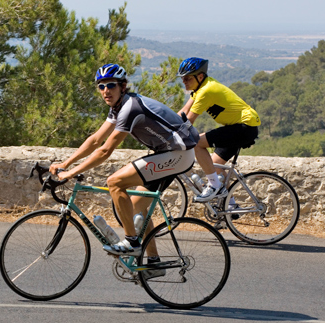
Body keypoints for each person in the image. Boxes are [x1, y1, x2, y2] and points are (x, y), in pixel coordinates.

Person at [49, 63, 200, 266]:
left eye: (110, 85)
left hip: (178, 154)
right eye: (100, 86)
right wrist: (66, 163)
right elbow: (96, 140)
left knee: (115, 182)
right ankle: (153, 261)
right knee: (138, 206)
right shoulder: (118, 107)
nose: (105, 91)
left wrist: (71, 173)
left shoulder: (130, 108)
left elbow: (105, 150)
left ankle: (131, 242)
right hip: (168, 153)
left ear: (122, 86)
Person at [177, 57, 260, 203]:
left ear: (200, 76)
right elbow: (183, 112)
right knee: (215, 167)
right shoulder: (200, 88)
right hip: (239, 126)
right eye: (183, 78)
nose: (184, 81)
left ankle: (215, 186)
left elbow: (188, 121)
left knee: (197, 143)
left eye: (187, 78)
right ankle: (231, 206)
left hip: (244, 126)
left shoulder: (206, 91)